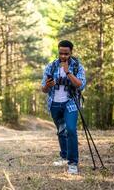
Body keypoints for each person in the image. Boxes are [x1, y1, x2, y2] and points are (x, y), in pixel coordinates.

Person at [41, 40, 86, 174]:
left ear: (71, 52)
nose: (63, 56)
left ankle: (73, 163)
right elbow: (43, 89)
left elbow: (80, 85)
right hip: (54, 103)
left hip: (70, 103)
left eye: (66, 53)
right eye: (61, 53)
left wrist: (68, 73)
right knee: (61, 130)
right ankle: (64, 157)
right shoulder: (51, 66)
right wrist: (48, 85)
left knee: (71, 130)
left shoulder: (77, 66)